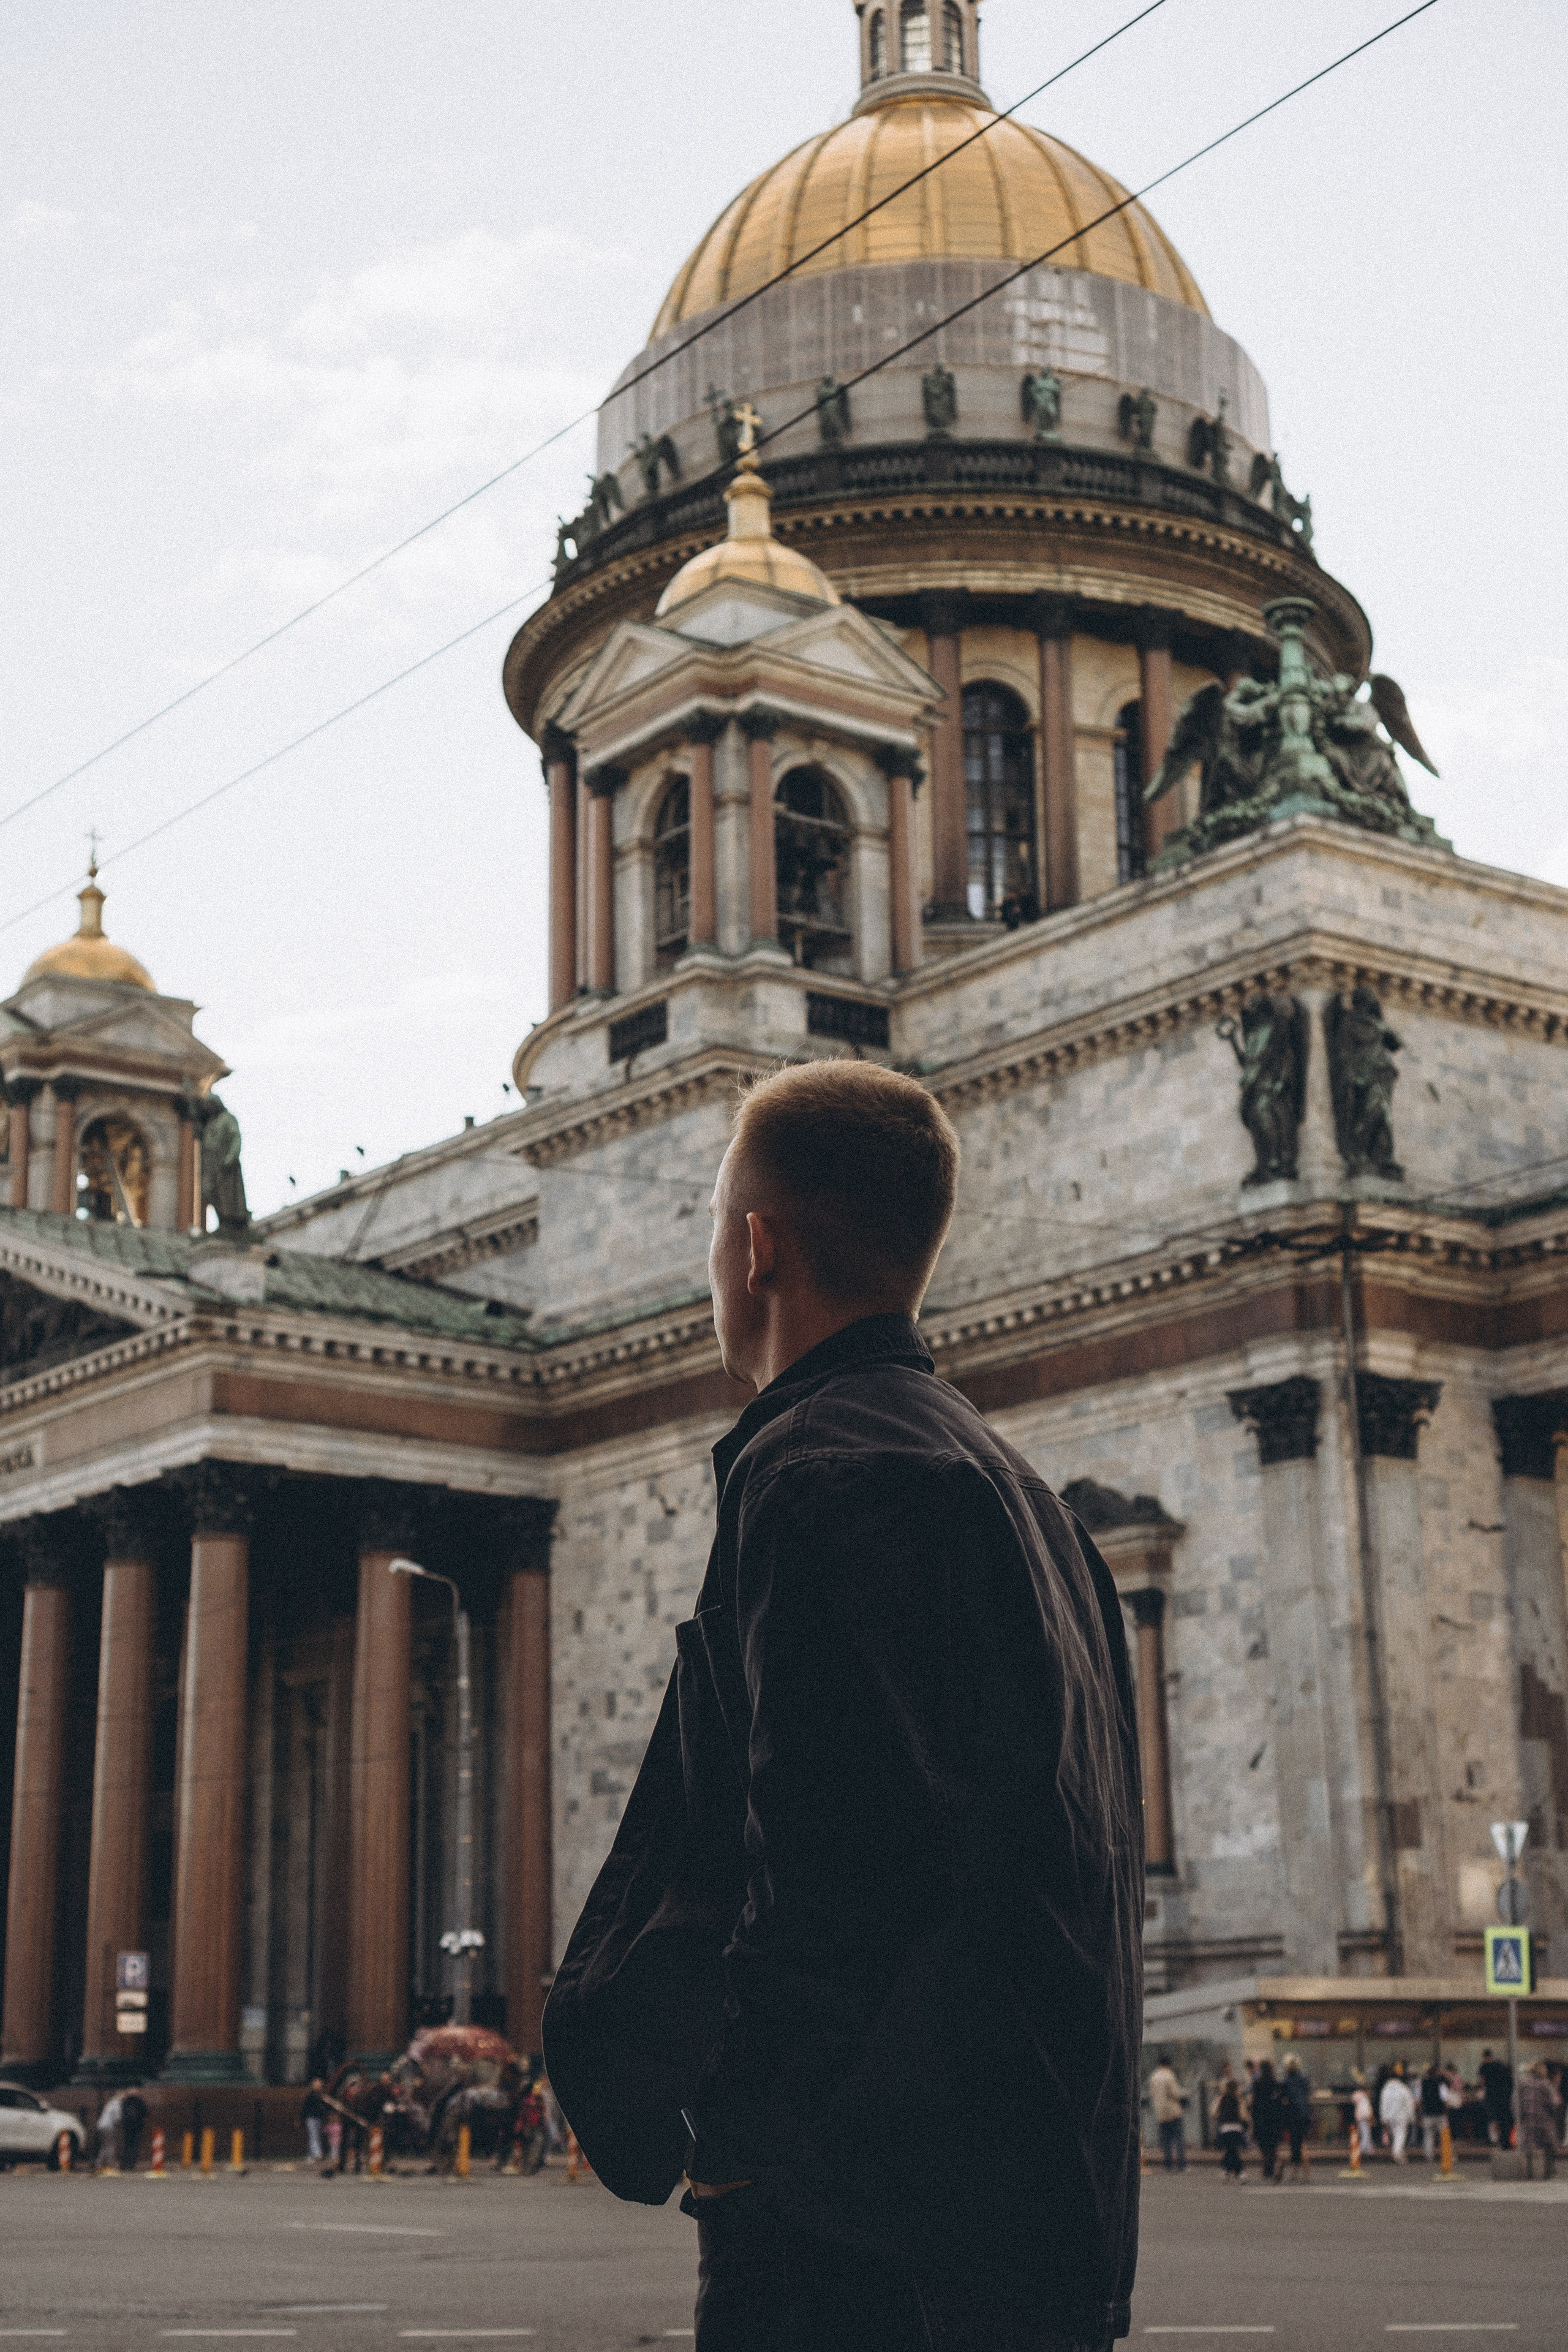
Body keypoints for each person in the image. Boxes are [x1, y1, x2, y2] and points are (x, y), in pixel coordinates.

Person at [543, 1062, 1144, 2352]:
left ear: (756, 1249)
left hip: (864, 2234)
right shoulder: (1036, 1506)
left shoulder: (820, 1472)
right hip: (1040, 2216)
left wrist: (739, 2151)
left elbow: (830, 1865)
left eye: (713, 1230)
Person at [1517, 2063, 1561, 2177]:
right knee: (1549, 2145)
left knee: (1529, 2146)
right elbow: (1555, 2102)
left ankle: (1529, 2171)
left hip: (1527, 2121)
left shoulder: (1522, 2084)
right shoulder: (1546, 2084)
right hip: (1544, 2121)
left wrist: (1520, 2117)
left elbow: (1515, 2104)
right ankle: (1548, 2170)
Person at [1148, 2056, 1186, 2172]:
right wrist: (1184, 2095)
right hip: (1173, 2110)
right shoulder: (1169, 2075)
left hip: (1161, 2112)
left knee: (1166, 2140)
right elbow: (1175, 2093)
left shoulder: (1154, 2076)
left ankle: (1168, 2164)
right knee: (1178, 2138)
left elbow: (1152, 2094)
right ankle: (1182, 2164)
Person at [1250, 2062, 1284, 2182]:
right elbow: (1280, 2102)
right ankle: (1274, 2166)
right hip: (1274, 2120)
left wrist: (1253, 2118)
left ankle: (1270, 2169)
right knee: (1272, 2146)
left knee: (1263, 2145)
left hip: (1261, 2119)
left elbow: (1255, 2103)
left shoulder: (1258, 2084)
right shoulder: (1276, 2084)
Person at [1281, 2055, 1313, 2180]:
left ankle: (1296, 2172)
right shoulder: (1304, 2078)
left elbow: (1284, 2098)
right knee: (1302, 2143)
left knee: (1295, 2144)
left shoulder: (1286, 2081)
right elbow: (1308, 2093)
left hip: (1293, 2115)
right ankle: (1306, 2174)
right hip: (1305, 2114)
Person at [1380, 2064, 1416, 2163]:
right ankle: (1397, 2152)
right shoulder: (1404, 2089)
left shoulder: (1386, 2090)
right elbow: (1410, 2104)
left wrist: (1383, 2117)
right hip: (1402, 2116)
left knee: (1395, 2135)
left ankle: (1399, 2152)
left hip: (1389, 2117)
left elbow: (1383, 2105)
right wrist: (1412, 2117)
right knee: (1401, 2135)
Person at [1214, 2071, 1245, 2181]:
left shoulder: (1221, 2099)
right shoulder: (1239, 2100)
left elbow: (1214, 2112)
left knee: (1230, 2150)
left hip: (1224, 2128)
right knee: (1234, 2150)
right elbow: (1243, 2115)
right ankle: (1239, 2171)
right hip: (1236, 2128)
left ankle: (1227, 2170)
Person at [1479, 2048, 1513, 2147]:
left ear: (1484, 2057)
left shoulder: (1484, 2066)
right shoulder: (1501, 2065)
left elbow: (1482, 2081)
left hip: (1491, 2095)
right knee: (1502, 2118)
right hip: (1503, 2096)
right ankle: (1504, 2138)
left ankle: (1494, 2139)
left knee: (1492, 2118)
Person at [1419, 2061, 1447, 2162]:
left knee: (1428, 2136)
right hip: (1440, 2113)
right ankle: (1447, 2156)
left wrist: (1421, 2114)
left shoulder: (1423, 2083)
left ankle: (1429, 2156)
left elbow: (1420, 2100)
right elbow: (1445, 2099)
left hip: (1428, 2113)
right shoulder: (1441, 2083)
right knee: (1444, 2135)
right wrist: (1446, 2111)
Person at [94, 2090, 124, 2173]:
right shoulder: (117, 2104)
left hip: (101, 2125)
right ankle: (110, 2164)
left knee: (104, 2146)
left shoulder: (110, 2103)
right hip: (109, 2127)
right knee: (110, 2146)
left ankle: (99, 2164)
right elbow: (117, 2117)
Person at [301, 2079, 328, 2165]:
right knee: (314, 2136)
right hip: (311, 2119)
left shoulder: (322, 2096)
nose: (318, 2086)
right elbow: (304, 2108)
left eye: (319, 2085)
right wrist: (301, 2119)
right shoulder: (310, 2096)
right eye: (316, 2085)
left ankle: (310, 2156)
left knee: (316, 2137)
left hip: (319, 2119)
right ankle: (318, 2154)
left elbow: (324, 2109)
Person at [120, 2089, 147, 2173]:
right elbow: (145, 2111)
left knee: (127, 2145)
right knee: (135, 2145)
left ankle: (124, 2164)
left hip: (127, 2127)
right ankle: (131, 2164)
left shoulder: (126, 2102)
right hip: (137, 2126)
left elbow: (122, 2113)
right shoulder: (139, 2101)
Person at [1352, 2075, 1374, 2160]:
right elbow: (1366, 2110)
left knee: (1366, 2133)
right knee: (1366, 2134)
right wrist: (1369, 2117)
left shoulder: (1359, 2098)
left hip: (1361, 2117)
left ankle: (1369, 2149)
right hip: (1364, 2118)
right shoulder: (1364, 2099)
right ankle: (1361, 2149)